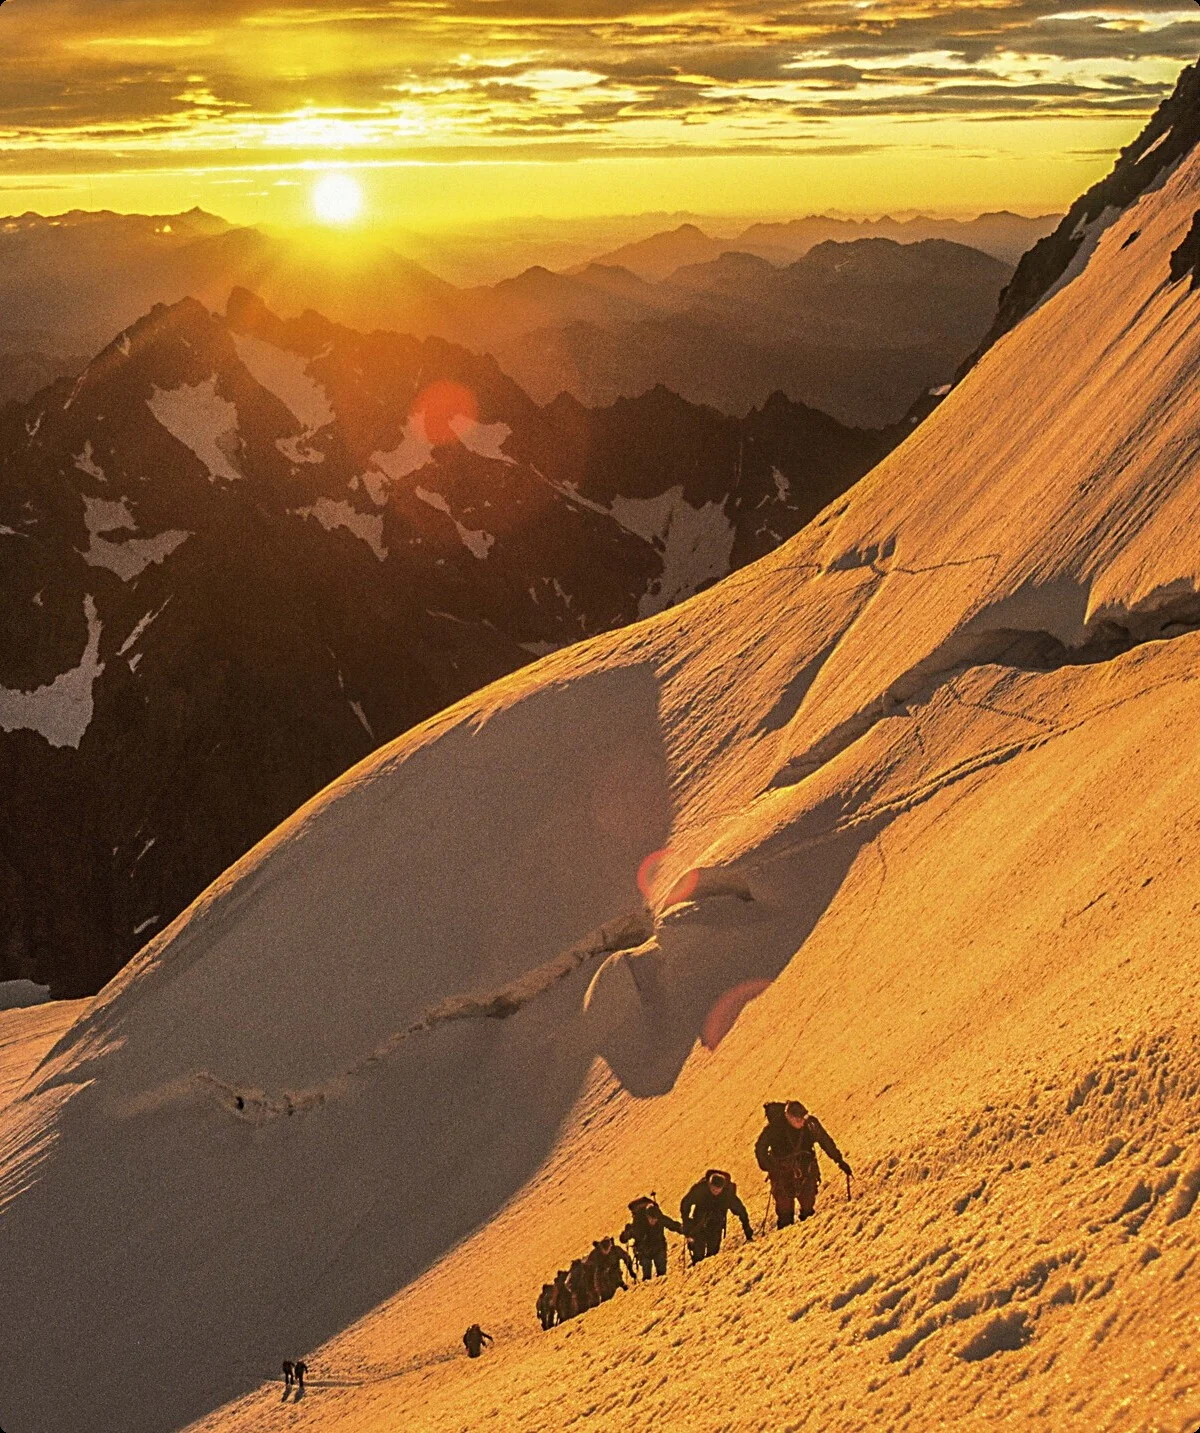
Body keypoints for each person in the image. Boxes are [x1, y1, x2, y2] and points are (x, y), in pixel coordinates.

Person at [755, 1099, 851, 1227]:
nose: (801, 1122)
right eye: (797, 1120)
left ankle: (808, 1229)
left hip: (807, 1170)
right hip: (782, 1174)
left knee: (808, 1203)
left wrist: (839, 1160)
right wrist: (770, 1167)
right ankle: (785, 1236)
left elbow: (825, 1141)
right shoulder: (774, 1128)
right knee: (785, 1210)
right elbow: (760, 1149)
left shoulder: (811, 1125)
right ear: (787, 1116)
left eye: (802, 1118)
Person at [680, 1169, 753, 1262]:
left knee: (713, 1253)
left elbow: (740, 1210)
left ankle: (709, 1271)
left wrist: (747, 1228)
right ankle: (697, 1266)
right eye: (713, 1189)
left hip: (716, 1224)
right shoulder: (700, 1189)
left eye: (718, 1190)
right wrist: (686, 1221)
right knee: (698, 1252)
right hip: (698, 1223)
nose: (715, 1191)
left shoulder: (727, 1195)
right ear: (709, 1185)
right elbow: (686, 1203)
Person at [621, 1195, 684, 1281]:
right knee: (647, 1275)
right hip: (644, 1250)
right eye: (652, 1219)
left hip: (658, 1247)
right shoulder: (638, 1223)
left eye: (655, 1219)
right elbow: (627, 1237)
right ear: (647, 1216)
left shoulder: (660, 1218)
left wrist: (682, 1228)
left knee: (662, 1273)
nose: (653, 1221)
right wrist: (626, 1235)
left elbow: (672, 1224)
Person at [585, 1235, 634, 1303]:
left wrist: (630, 1270)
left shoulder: (616, 1250)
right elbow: (587, 1266)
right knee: (605, 1297)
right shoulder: (596, 1253)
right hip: (601, 1279)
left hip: (615, 1275)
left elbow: (626, 1258)